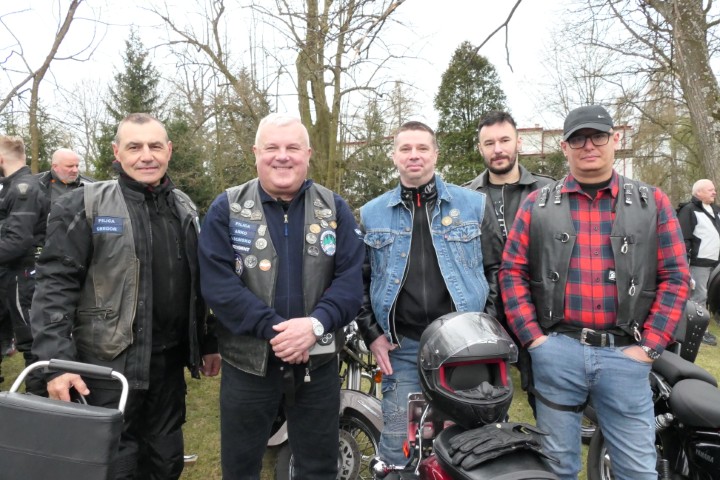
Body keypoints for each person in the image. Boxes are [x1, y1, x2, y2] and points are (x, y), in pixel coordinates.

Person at [500, 105, 690, 480]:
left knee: (637, 470)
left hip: (626, 355)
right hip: (558, 352)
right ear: (565, 147)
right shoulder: (537, 204)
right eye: (578, 139)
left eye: (598, 136)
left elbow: (675, 278)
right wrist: (534, 340)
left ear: (615, 139)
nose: (589, 145)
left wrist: (649, 348)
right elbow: (512, 272)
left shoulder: (652, 202)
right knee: (556, 469)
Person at [31, 113, 221, 479]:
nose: (146, 155)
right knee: (112, 466)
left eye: (155, 146)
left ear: (169, 150)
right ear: (117, 152)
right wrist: (58, 363)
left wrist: (208, 340)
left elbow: (197, 283)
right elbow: (54, 286)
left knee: (165, 463)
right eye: (134, 147)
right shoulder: (85, 205)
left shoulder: (183, 207)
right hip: (105, 368)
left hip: (167, 370)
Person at [198, 113, 364, 480]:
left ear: (308, 154)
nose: (282, 156)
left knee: (319, 469)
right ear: (256, 152)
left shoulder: (334, 208)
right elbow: (218, 286)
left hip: (317, 365)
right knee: (241, 469)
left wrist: (314, 326)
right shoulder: (227, 209)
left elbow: (351, 282)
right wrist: (281, 332)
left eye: (292, 147)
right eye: (272, 147)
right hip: (248, 367)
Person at [355, 120, 497, 467]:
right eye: (405, 148)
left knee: (473, 447)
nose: (414, 155)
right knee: (401, 450)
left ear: (435, 154)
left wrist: (488, 331)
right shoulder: (372, 214)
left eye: (422, 148)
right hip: (404, 349)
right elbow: (358, 281)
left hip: (467, 349)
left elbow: (498, 271)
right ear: (394, 156)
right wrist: (373, 335)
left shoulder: (474, 206)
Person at [465, 110, 553, 414]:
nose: (498, 149)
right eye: (489, 143)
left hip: (539, 313)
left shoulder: (548, 192)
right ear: (480, 148)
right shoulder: (466, 197)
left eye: (504, 140)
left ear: (518, 142)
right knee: (484, 404)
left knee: (547, 402)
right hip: (487, 314)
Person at [0, 135, 50, 394]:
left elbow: (17, 242)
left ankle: (37, 401)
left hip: (24, 276)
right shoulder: (11, 187)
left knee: (32, 343)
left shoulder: (23, 189)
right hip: (9, 274)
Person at [677, 178, 720, 345]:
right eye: (710, 190)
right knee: (699, 297)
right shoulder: (688, 210)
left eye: (714, 189)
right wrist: (684, 263)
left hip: (715, 263)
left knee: (708, 297)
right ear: (699, 192)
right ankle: (698, 332)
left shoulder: (716, 210)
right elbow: (683, 239)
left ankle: (702, 328)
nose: (714, 192)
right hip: (698, 263)